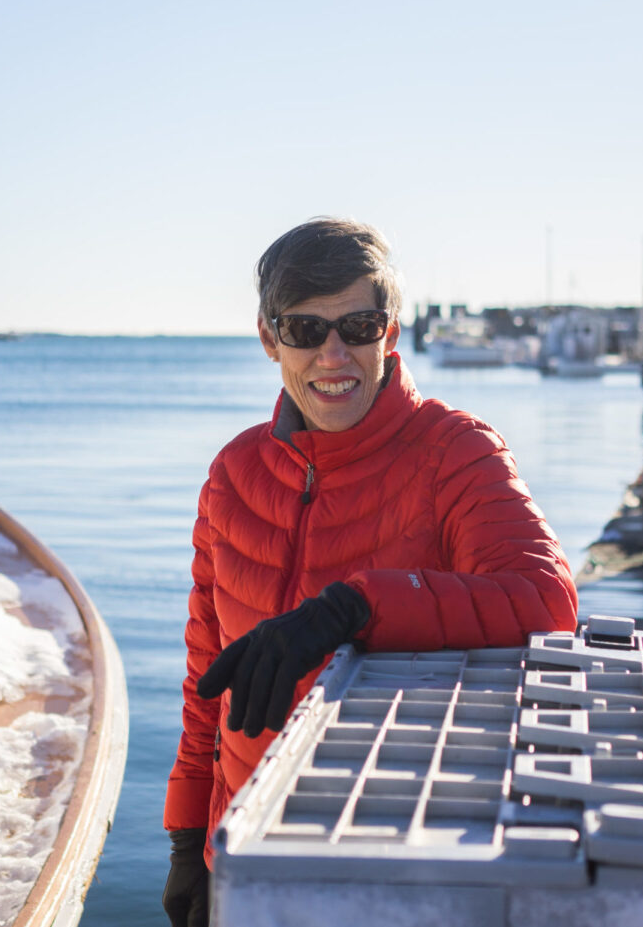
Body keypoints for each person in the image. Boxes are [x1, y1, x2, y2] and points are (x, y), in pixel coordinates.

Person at [162, 218, 578, 927]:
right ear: (269, 339)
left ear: (390, 331)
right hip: (240, 856)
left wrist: (354, 607)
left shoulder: (455, 453)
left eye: (357, 324)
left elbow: (546, 597)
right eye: (304, 329)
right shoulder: (232, 476)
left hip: (391, 869)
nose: (333, 354)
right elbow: (209, 676)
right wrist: (184, 838)